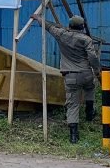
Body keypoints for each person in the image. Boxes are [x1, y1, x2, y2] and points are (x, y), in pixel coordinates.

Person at [31, 14, 101, 143]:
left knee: (72, 104)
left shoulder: (61, 35)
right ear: (82, 27)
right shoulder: (86, 39)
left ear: (69, 26)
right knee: (90, 89)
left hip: (70, 75)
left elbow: (48, 27)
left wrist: (38, 18)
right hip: (86, 73)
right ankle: (89, 114)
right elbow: (92, 57)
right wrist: (97, 71)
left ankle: (73, 136)